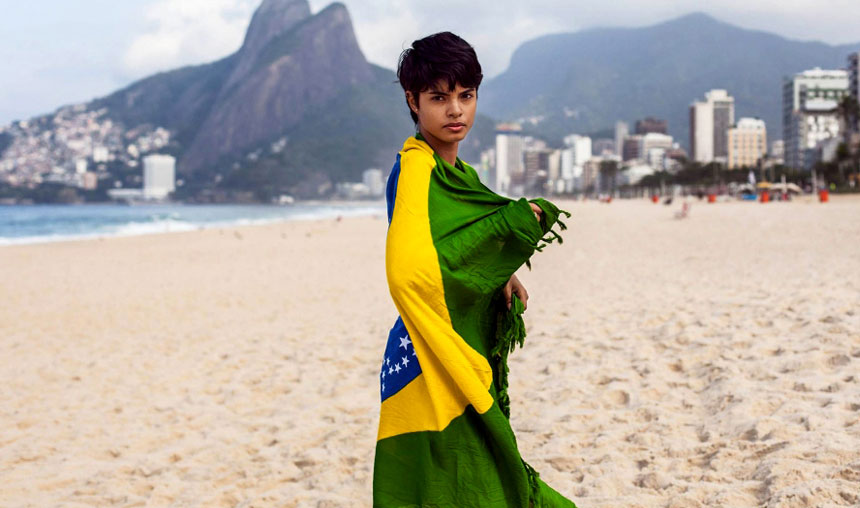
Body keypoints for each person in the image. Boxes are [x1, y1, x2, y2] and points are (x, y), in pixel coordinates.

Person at [372, 32, 577, 507]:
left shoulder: (462, 176)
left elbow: (457, 245)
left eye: (466, 95)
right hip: (425, 352)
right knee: (450, 476)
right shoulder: (416, 170)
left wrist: (499, 274)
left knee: (475, 467)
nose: (455, 110)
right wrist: (514, 221)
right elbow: (410, 269)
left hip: (453, 342)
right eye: (439, 98)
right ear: (413, 101)